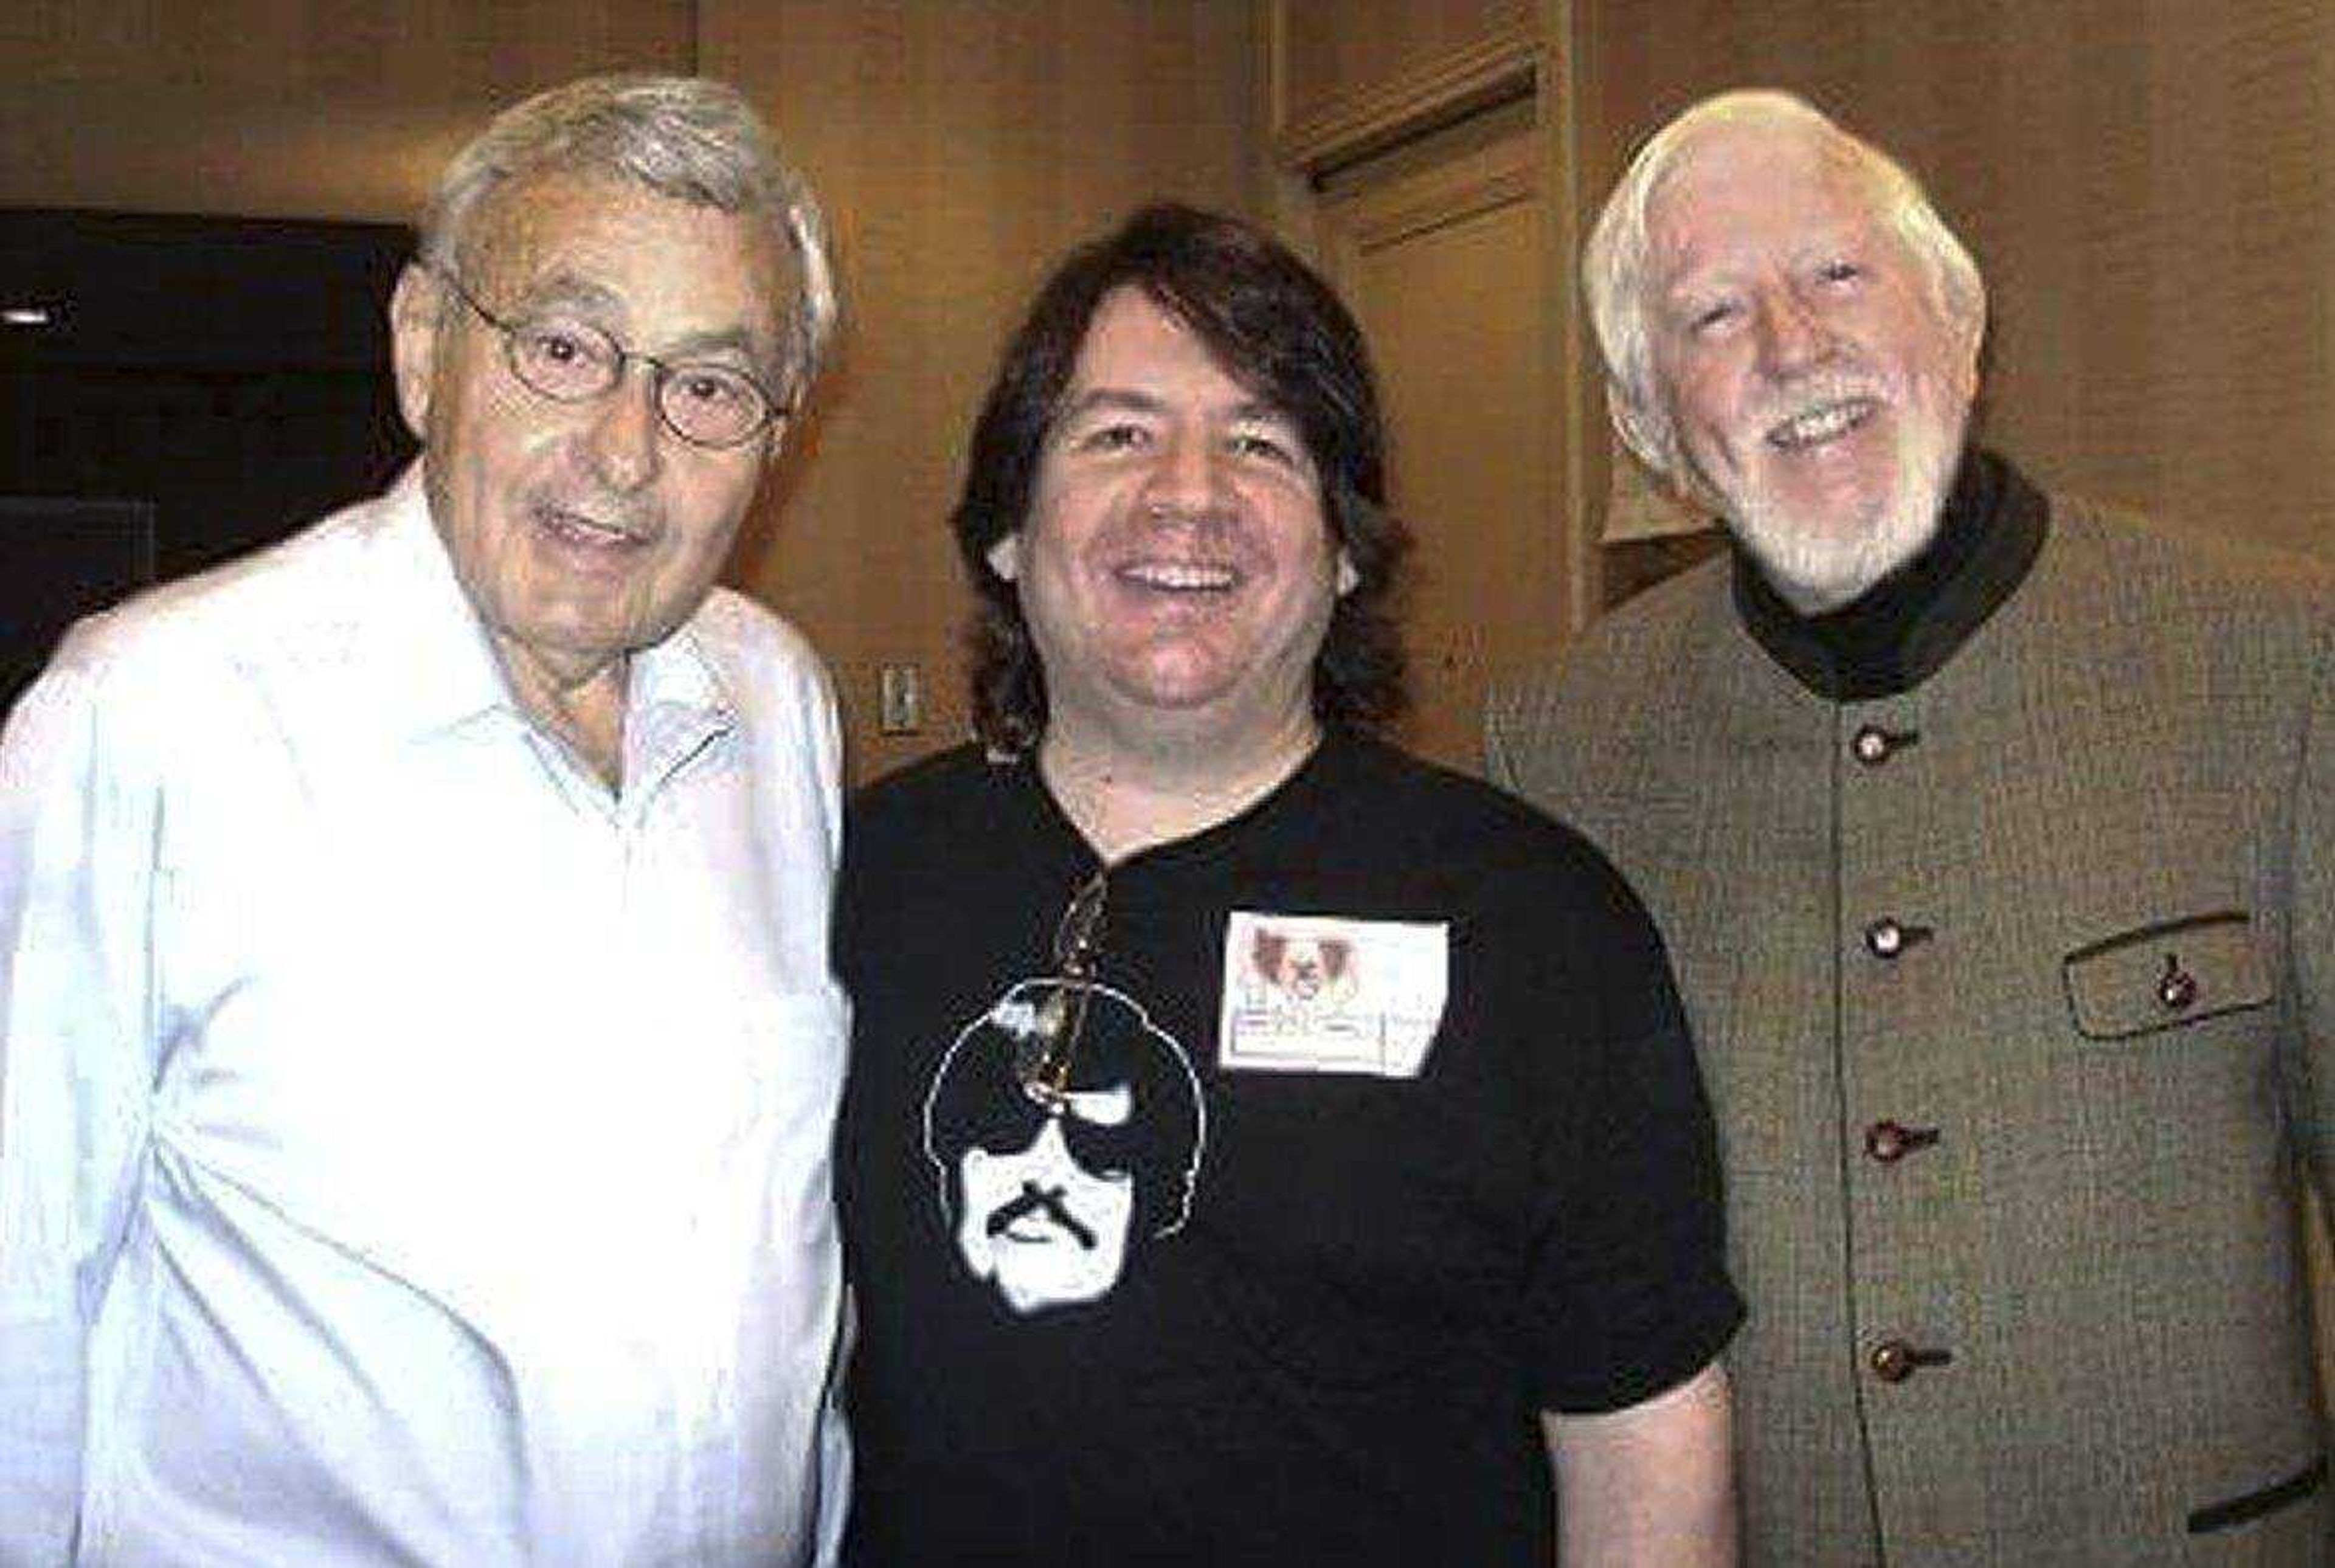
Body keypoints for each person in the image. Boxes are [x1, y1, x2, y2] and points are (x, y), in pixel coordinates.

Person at [0, 75, 849, 1565]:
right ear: (423, 349)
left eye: (709, 388)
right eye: (567, 349)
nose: (627, 452)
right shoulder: (154, 718)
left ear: (775, 437)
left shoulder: (779, 712)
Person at [1487, 88, 2335, 1562]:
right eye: (1710, 316)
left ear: (1959, 317)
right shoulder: (1560, 748)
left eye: (1837, 275)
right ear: (1648, 426)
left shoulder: (2275, 665)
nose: (1793, 350)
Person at [834, 202, 1742, 1566]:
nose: (1187, 495)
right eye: (1118, 433)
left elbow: (1649, 1476)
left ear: (1350, 544)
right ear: (1009, 529)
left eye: (1261, 442)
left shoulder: (1536, 928)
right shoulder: (851, 889)